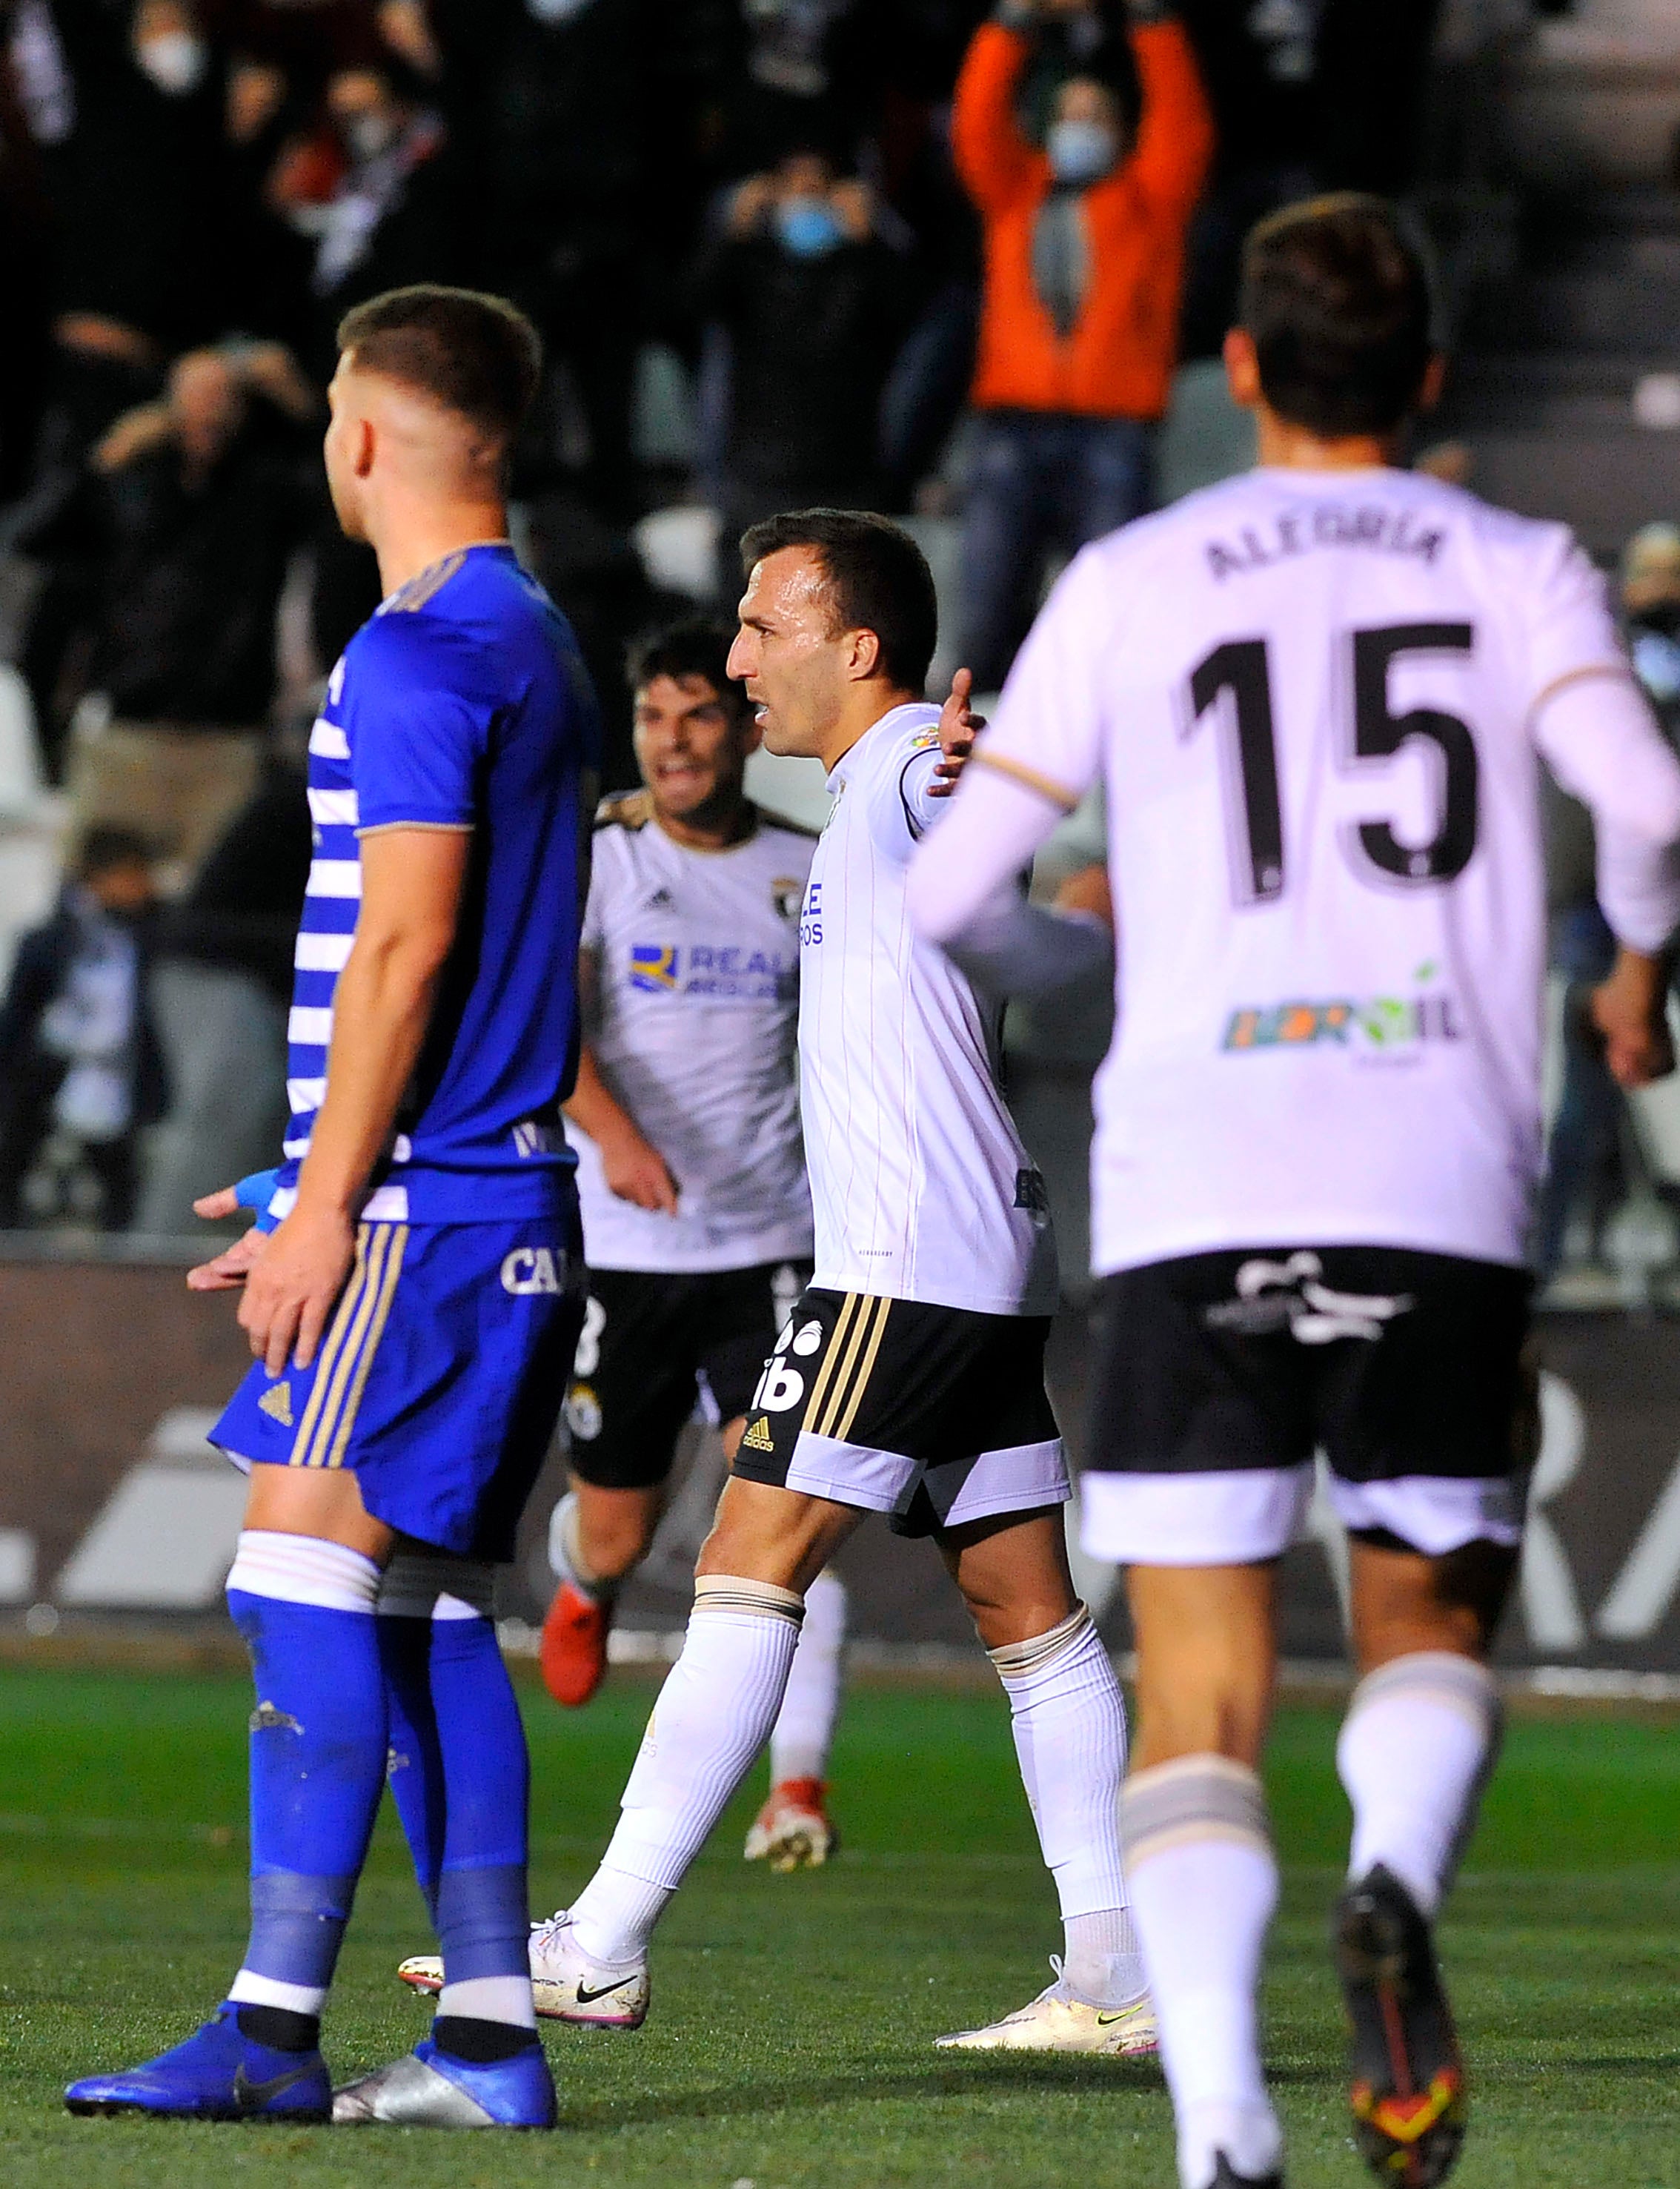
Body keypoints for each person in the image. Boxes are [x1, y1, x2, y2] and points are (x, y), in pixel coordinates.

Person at [906, 194, 1680, 2189]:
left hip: (1193, 1173)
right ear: (1426, 377)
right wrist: (1628, 973)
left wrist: (1114, 961)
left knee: (1200, 1673)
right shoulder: (1518, 563)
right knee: (1424, 1612)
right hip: (1430, 1160)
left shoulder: (1131, 576)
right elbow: (1654, 802)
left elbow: (944, 897)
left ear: (1236, 367)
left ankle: (1225, 2135)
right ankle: (1396, 1885)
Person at [462, 506, 1155, 2061]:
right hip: (973, 1259)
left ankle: (600, 1938)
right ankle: (1112, 1966)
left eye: (762, 626)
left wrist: (1033, 835)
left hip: (900, 1267)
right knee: (1023, 1609)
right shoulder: (872, 794)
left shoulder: (910, 771)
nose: (733, 656)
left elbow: (972, 838)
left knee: (745, 1557)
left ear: (856, 647)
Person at [64, 282, 601, 2131]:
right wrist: (307, 1165)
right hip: (488, 1192)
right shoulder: (532, 630)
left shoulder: (415, 647)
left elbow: (408, 937)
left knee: (294, 1580)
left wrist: (329, 1199)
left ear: (361, 430)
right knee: (418, 1611)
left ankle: (271, 2030)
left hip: (427, 1210)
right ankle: (486, 2039)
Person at [543, 615, 849, 1863]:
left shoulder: (803, 864)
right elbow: (547, 1030)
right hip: (625, 1246)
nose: (674, 742)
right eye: (655, 718)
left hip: (770, 1244)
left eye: (700, 715)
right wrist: (614, 1137)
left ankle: (798, 1789)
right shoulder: (600, 858)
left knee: (789, 1502)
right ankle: (584, 1578)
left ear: (739, 728)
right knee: (618, 1521)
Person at [951, 0, 1212, 692]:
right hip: (1012, 423)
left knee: (1118, 624)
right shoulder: (1013, 192)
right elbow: (976, 121)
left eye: (1096, 115)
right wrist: (1012, 22)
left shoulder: (1150, 202)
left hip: (1113, 431)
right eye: (1068, 113)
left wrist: (1152, 18)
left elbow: (1182, 120)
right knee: (984, 624)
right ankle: (962, 779)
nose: (1080, 126)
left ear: (1124, 132)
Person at [22, 342, 318, 881]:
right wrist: (97, 463)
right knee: (90, 898)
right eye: (197, 394)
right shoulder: (130, 477)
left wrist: (300, 408)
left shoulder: (264, 488)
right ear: (171, 401)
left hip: (226, 739)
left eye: (223, 396)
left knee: (210, 911)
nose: (209, 410)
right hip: (128, 728)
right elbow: (38, 538)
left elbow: (339, 503)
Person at [689, 148, 912, 558]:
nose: (807, 203)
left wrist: (868, 242)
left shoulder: (859, 268)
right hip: (757, 472)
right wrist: (735, 232)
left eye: (819, 190)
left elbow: (901, 314)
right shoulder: (752, 264)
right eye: (795, 189)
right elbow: (696, 305)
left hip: (846, 473)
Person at [0, 825, 164, 1230]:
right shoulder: (52, 939)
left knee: (117, 1181)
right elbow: (22, 1016)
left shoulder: (146, 936)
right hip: (51, 1075)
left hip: (116, 1080)